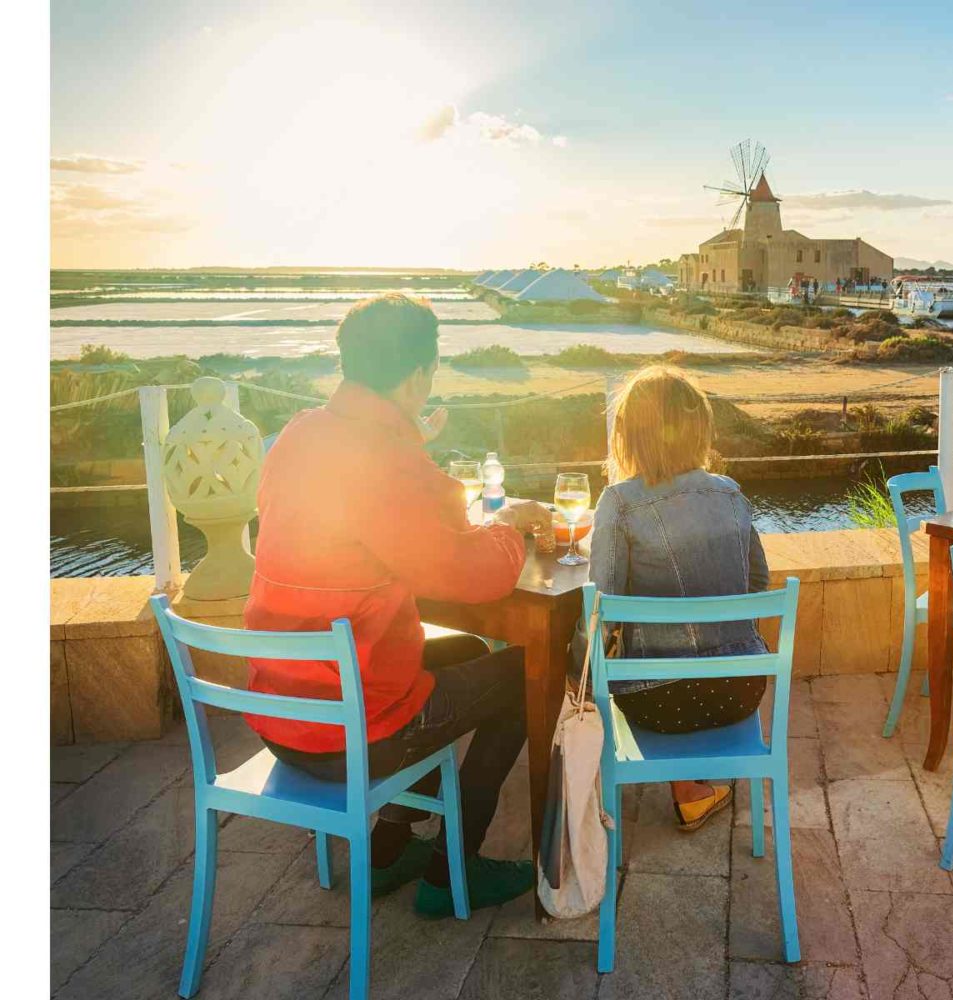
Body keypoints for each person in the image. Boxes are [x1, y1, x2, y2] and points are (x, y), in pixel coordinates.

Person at [244, 292, 554, 916]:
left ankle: (389, 848)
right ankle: (451, 870)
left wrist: (412, 436)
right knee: (528, 676)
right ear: (419, 374)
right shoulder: (387, 459)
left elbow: (377, 527)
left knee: (465, 652)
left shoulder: (300, 436)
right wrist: (514, 525)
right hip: (351, 733)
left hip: (281, 712)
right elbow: (474, 574)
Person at [578, 366, 770, 832]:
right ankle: (691, 790)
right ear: (699, 430)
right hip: (740, 691)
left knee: (597, 661)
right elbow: (758, 580)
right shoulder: (730, 493)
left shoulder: (619, 502)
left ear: (628, 436)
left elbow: (602, 608)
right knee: (688, 664)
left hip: (655, 703)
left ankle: (581, 793)